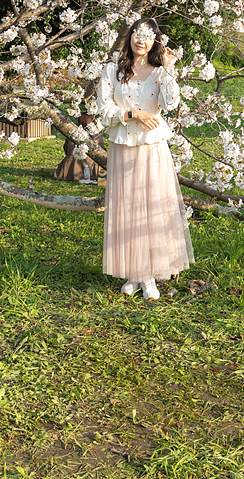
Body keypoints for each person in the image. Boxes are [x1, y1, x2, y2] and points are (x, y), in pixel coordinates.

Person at [97, 17, 194, 300]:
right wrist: (132, 114)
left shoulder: (159, 72)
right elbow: (104, 111)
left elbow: (171, 103)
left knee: (151, 207)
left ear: (155, 42)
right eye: (137, 34)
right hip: (123, 146)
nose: (141, 40)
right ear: (129, 37)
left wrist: (169, 70)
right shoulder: (112, 72)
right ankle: (134, 273)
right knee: (126, 207)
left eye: (148, 36)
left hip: (152, 148)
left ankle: (149, 275)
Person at [53, 113, 105, 183]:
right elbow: (102, 154)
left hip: (69, 170)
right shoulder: (96, 136)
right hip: (90, 168)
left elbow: (66, 149)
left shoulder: (72, 133)